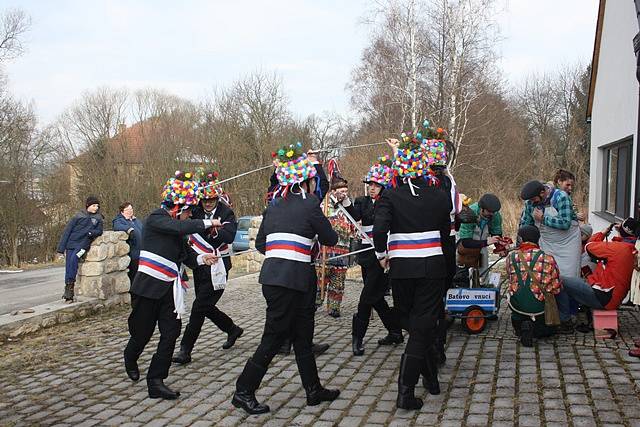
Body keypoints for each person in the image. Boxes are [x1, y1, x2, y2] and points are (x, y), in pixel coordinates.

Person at [232, 143, 340, 415]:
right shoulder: (311, 205)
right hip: (292, 279)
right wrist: (297, 248)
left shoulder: (274, 206)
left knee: (303, 338)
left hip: (280, 278)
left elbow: (259, 244)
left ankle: (313, 390)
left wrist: (284, 250)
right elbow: (331, 238)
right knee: (273, 337)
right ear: (307, 181)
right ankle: (243, 391)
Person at [123, 171, 219, 400]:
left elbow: (186, 256)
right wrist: (208, 222)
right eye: (187, 211)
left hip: (169, 291)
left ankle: (156, 380)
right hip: (147, 288)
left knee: (171, 332)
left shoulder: (177, 229)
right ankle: (131, 354)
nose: (189, 215)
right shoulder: (156, 219)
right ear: (176, 208)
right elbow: (179, 228)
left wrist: (202, 259)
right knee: (142, 333)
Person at [374, 130, 452, 410]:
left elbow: (380, 229)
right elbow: (446, 235)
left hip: (402, 269)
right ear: (424, 166)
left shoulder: (390, 196)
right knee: (422, 327)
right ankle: (415, 386)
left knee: (414, 323)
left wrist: (382, 255)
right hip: (432, 266)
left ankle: (417, 386)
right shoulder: (439, 196)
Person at [173, 171, 243, 365]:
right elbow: (186, 225)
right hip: (200, 264)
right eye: (205, 199)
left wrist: (207, 230)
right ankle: (232, 329)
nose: (208, 203)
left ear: (216, 197)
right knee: (205, 306)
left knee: (199, 307)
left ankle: (185, 350)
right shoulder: (194, 209)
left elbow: (228, 236)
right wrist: (211, 227)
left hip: (219, 265)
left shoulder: (226, 211)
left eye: (211, 199)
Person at [268, 148, 331, 357]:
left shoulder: (308, 199)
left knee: (301, 310)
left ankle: (301, 344)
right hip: (295, 266)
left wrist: (316, 163)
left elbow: (322, 186)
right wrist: (280, 165)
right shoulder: (277, 199)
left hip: (291, 265)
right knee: (291, 309)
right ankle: (287, 343)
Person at [345, 156, 402, 356]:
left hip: (382, 256)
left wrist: (385, 254)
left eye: (376, 185)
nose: (372, 188)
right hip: (366, 256)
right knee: (377, 297)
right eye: (370, 184)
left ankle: (357, 338)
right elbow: (354, 214)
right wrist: (343, 200)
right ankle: (395, 331)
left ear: (384, 186)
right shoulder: (362, 201)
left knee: (367, 297)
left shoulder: (389, 203)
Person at [556, 218, 638, 327]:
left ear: (623, 231)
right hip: (613, 297)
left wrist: (602, 233)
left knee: (560, 280)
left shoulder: (619, 248)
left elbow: (589, 246)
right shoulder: (632, 249)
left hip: (602, 296)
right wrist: (620, 233)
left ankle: (565, 321)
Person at [506, 225, 562, 346]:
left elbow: (510, 279)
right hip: (540, 308)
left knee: (517, 311)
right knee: (548, 329)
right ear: (538, 239)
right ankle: (536, 330)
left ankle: (521, 327)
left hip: (517, 306)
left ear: (520, 239)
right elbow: (556, 288)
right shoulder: (548, 258)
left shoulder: (511, 257)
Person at [519, 180, 582, 281]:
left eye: (533, 199)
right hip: (547, 243)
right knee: (548, 274)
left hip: (567, 243)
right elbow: (526, 224)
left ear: (542, 193)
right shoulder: (530, 203)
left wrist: (544, 218)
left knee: (569, 277)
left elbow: (565, 223)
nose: (532, 202)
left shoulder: (561, 197)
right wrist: (523, 241)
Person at [315, 175, 354, 318]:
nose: (344, 194)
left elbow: (354, 222)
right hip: (325, 251)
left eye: (346, 191)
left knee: (338, 283)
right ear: (333, 191)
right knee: (320, 282)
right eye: (341, 191)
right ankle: (315, 303)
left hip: (342, 251)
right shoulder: (324, 205)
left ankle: (334, 307)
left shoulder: (346, 206)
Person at [56, 196, 104, 302]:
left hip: (83, 245)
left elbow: (100, 231)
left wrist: (92, 233)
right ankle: (68, 289)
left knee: (74, 260)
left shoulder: (98, 218)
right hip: (71, 244)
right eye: (93, 205)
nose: (96, 208)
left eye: (97, 206)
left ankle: (70, 287)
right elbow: (67, 232)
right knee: (69, 266)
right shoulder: (78, 216)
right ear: (88, 205)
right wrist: (61, 249)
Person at [457, 193, 504, 282]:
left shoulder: (495, 215)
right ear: (482, 208)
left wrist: (500, 248)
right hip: (466, 246)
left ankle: (483, 286)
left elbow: (497, 234)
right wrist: (486, 242)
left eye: (493, 212)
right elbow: (465, 242)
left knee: (483, 269)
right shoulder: (470, 213)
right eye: (489, 212)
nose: (492, 214)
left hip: (482, 245)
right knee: (466, 274)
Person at [112, 202, 143, 283]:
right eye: (127, 210)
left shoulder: (136, 220)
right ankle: (134, 295)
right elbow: (117, 226)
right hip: (133, 254)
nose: (130, 211)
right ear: (122, 212)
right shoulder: (119, 220)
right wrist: (129, 230)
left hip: (142, 253)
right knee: (134, 277)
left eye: (131, 209)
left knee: (141, 277)